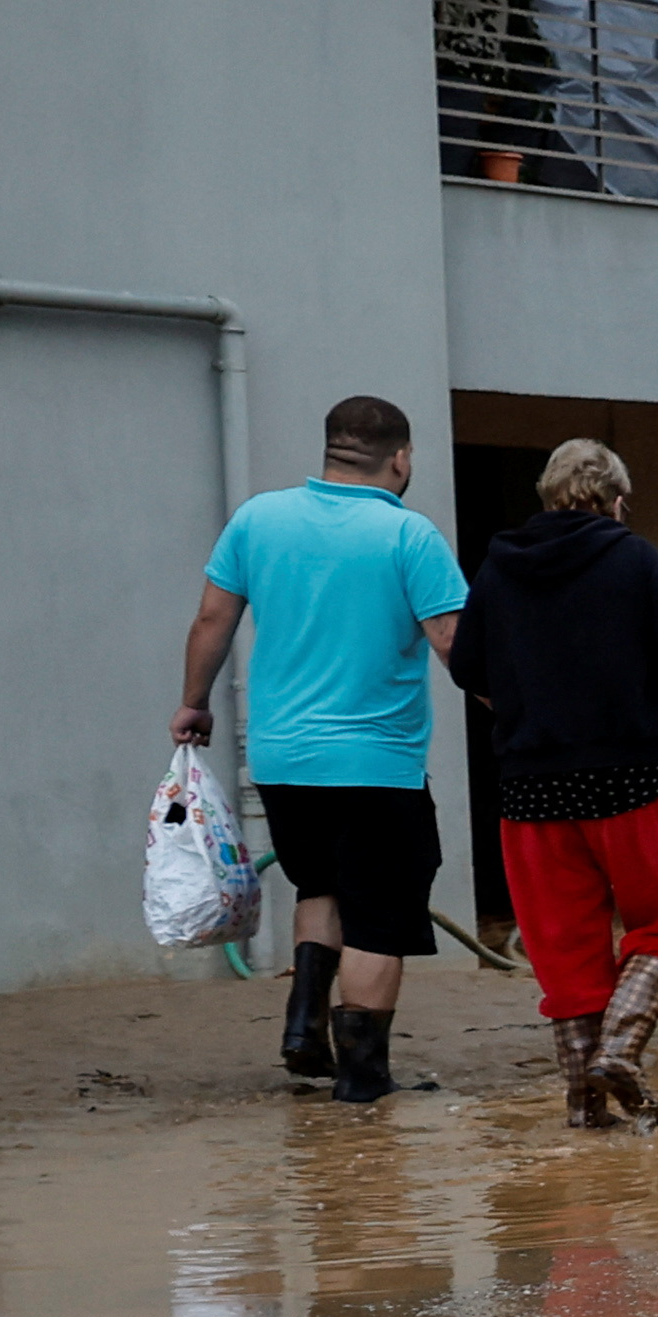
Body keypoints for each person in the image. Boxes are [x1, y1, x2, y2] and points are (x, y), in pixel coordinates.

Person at [172, 396, 468, 1106]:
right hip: (376, 765)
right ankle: (363, 1077)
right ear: (401, 459)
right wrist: (515, 709)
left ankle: (305, 1022)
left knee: (321, 886)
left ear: (332, 450)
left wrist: (194, 702)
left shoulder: (258, 520)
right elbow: (455, 644)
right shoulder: (410, 537)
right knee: (379, 917)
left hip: (282, 759)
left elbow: (214, 617)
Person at [457, 439, 658, 1127]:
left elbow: (467, 668)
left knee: (566, 953)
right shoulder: (633, 557)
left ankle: (585, 1113)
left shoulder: (498, 566)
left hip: (532, 789)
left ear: (548, 494)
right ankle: (622, 1052)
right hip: (632, 775)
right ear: (616, 499)